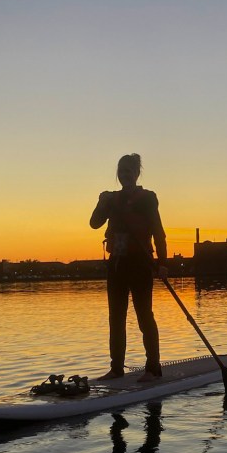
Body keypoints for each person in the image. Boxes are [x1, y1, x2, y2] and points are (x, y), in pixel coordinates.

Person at [90, 153, 168, 382]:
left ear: (136, 174)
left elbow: (158, 232)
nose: (124, 175)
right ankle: (116, 369)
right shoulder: (110, 199)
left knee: (145, 316)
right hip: (116, 265)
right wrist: (100, 202)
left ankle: (153, 368)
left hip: (141, 264)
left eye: (129, 171)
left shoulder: (148, 198)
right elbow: (94, 223)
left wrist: (162, 263)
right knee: (116, 318)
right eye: (121, 171)